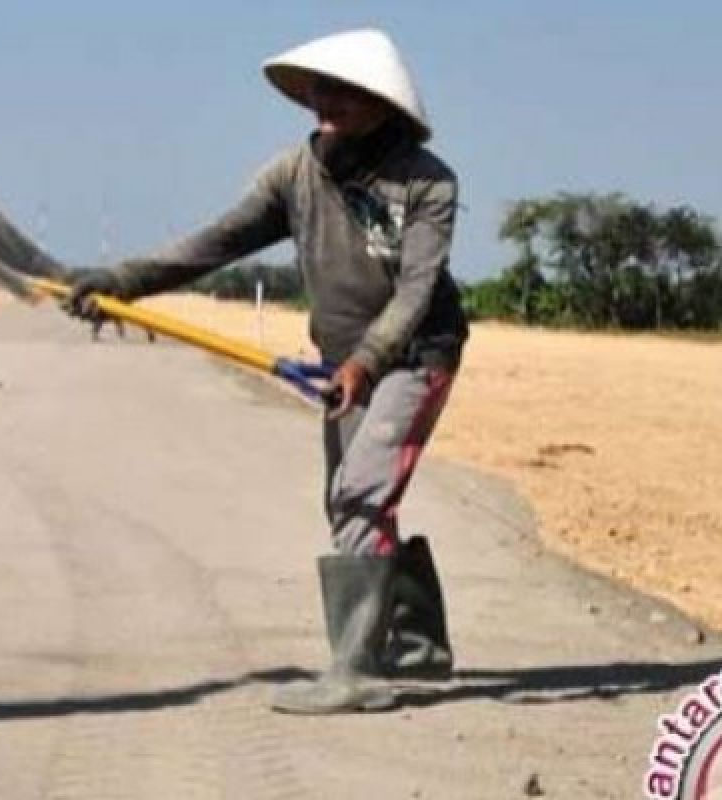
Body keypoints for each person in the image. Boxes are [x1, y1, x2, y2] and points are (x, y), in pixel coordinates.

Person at [63, 29, 468, 714]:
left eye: (341, 90)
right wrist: (121, 280)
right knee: (347, 501)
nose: (322, 100)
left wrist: (369, 363)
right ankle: (419, 642)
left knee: (360, 494)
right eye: (318, 89)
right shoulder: (295, 174)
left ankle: (357, 672)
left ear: (380, 104)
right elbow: (212, 243)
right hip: (343, 363)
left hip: (413, 357)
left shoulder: (427, 182)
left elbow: (416, 291)